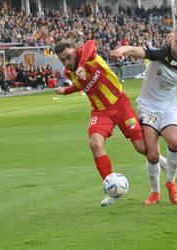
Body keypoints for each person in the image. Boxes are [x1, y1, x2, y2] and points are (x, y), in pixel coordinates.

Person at [111, 23, 177, 206]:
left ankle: (170, 181)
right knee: (152, 154)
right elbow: (137, 51)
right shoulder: (160, 54)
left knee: (175, 141)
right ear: (171, 38)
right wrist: (121, 50)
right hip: (148, 107)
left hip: (169, 107)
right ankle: (155, 192)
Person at [54, 39, 149, 207]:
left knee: (142, 148)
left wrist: (82, 65)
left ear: (75, 50)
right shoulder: (69, 72)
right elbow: (79, 85)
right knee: (95, 144)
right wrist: (65, 91)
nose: (67, 62)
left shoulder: (86, 54)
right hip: (100, 111)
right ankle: (112, 190)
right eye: (63, 60)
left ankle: (164, 163)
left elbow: (91, 42)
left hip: (120, 103)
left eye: (68, 57)